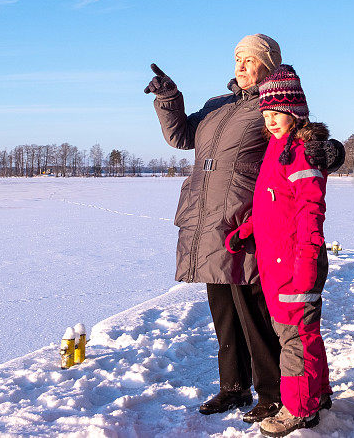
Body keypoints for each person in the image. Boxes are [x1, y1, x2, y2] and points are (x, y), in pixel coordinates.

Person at [145, 34, 285, 423]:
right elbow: (181, 137)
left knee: (253, 309)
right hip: (206, 216)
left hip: (243, 219)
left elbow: (297, 143)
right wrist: (169, 97)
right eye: (237, 58)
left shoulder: (274, 105)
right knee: (222, 307)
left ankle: (271, 392)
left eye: (249, 60)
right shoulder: (217, 105)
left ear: (268, 64)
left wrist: (329, 150)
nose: (239, 65)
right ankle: (233, 386)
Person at [225, 64, 333, 435]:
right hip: (276, 260)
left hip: (296, 261)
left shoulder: (303, 152)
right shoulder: (277, 148)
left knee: (294, 337)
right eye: (266, 114)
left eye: (278, 114)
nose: (271, 121)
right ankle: (316, 393)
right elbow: (271, 202)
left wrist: (305, 260)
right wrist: (248, 229)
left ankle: (299, 408)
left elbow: (309, 213)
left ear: (296, 112)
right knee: (301, 332)